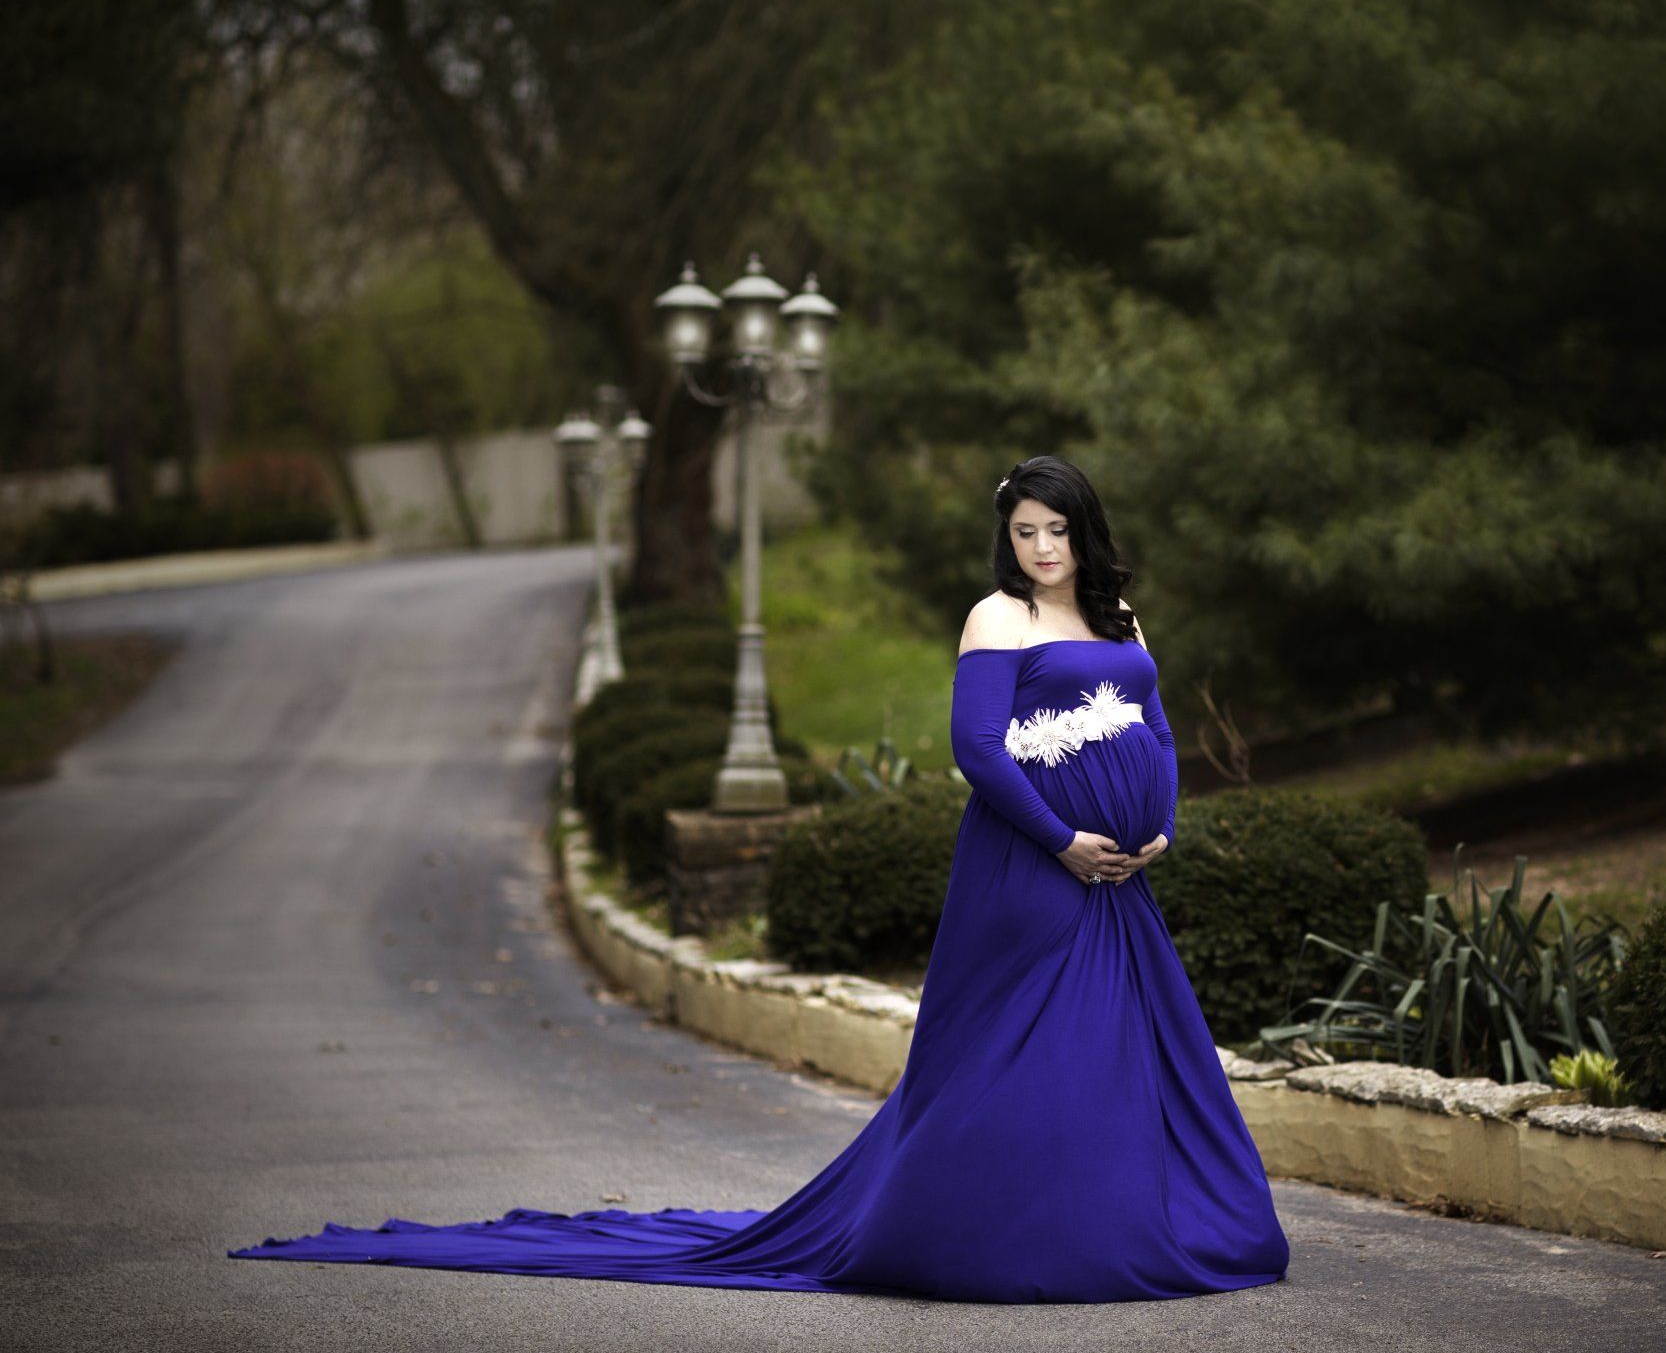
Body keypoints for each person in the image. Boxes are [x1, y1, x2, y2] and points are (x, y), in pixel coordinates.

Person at [228, 455, 1291, 1303]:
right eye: (1025, 532)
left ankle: (1119, 1218)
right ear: (1005, 539)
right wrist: (1064, 842)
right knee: (1021, 1053)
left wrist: (1161, 835)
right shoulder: (996, 619)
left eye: (1057, 531)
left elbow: (1157, 728)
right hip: (1033, 870)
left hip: (1126, 882)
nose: (1043, 548)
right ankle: (990, 1231)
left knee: (1122, 1054)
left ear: (1083, 530)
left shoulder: (1122, 619)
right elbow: (979, 751)